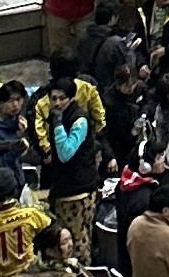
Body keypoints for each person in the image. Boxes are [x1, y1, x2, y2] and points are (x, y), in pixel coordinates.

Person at [27, 58, 108, 265]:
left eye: (61, 99)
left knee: (77, 243)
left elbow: (65, 152)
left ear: (71, 99)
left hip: (79, 191)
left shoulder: (79, 120)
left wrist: (57, 124)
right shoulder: (57, 117)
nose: (56, 103)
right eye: (53, 99)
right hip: (62, 187)